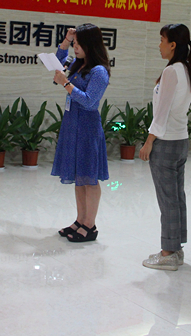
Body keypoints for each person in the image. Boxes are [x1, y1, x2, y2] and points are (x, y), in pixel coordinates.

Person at [139, 24, 191, 271]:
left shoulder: (172, 71)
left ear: (173, 45)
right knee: (176, 197)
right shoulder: (187, 70)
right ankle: (175, 248)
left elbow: (161, 112)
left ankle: (168, 253)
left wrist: (149, 141)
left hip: (166, 142)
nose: (159, 45)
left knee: (168, 200)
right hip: (180, 140)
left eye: (162, 40)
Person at [52, 24, 111, 243]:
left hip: (87, 128)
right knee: (79, 177)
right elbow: (57, 65)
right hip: (72, 125)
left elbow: (89, 101)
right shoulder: (78, 64)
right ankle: (80, 220)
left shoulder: (99, 71)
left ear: (91, 45)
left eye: (78, 44)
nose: (75, 48)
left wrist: (66, 83)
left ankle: (90, 225)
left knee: (89, 178)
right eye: (74, 44)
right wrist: (65, 41)